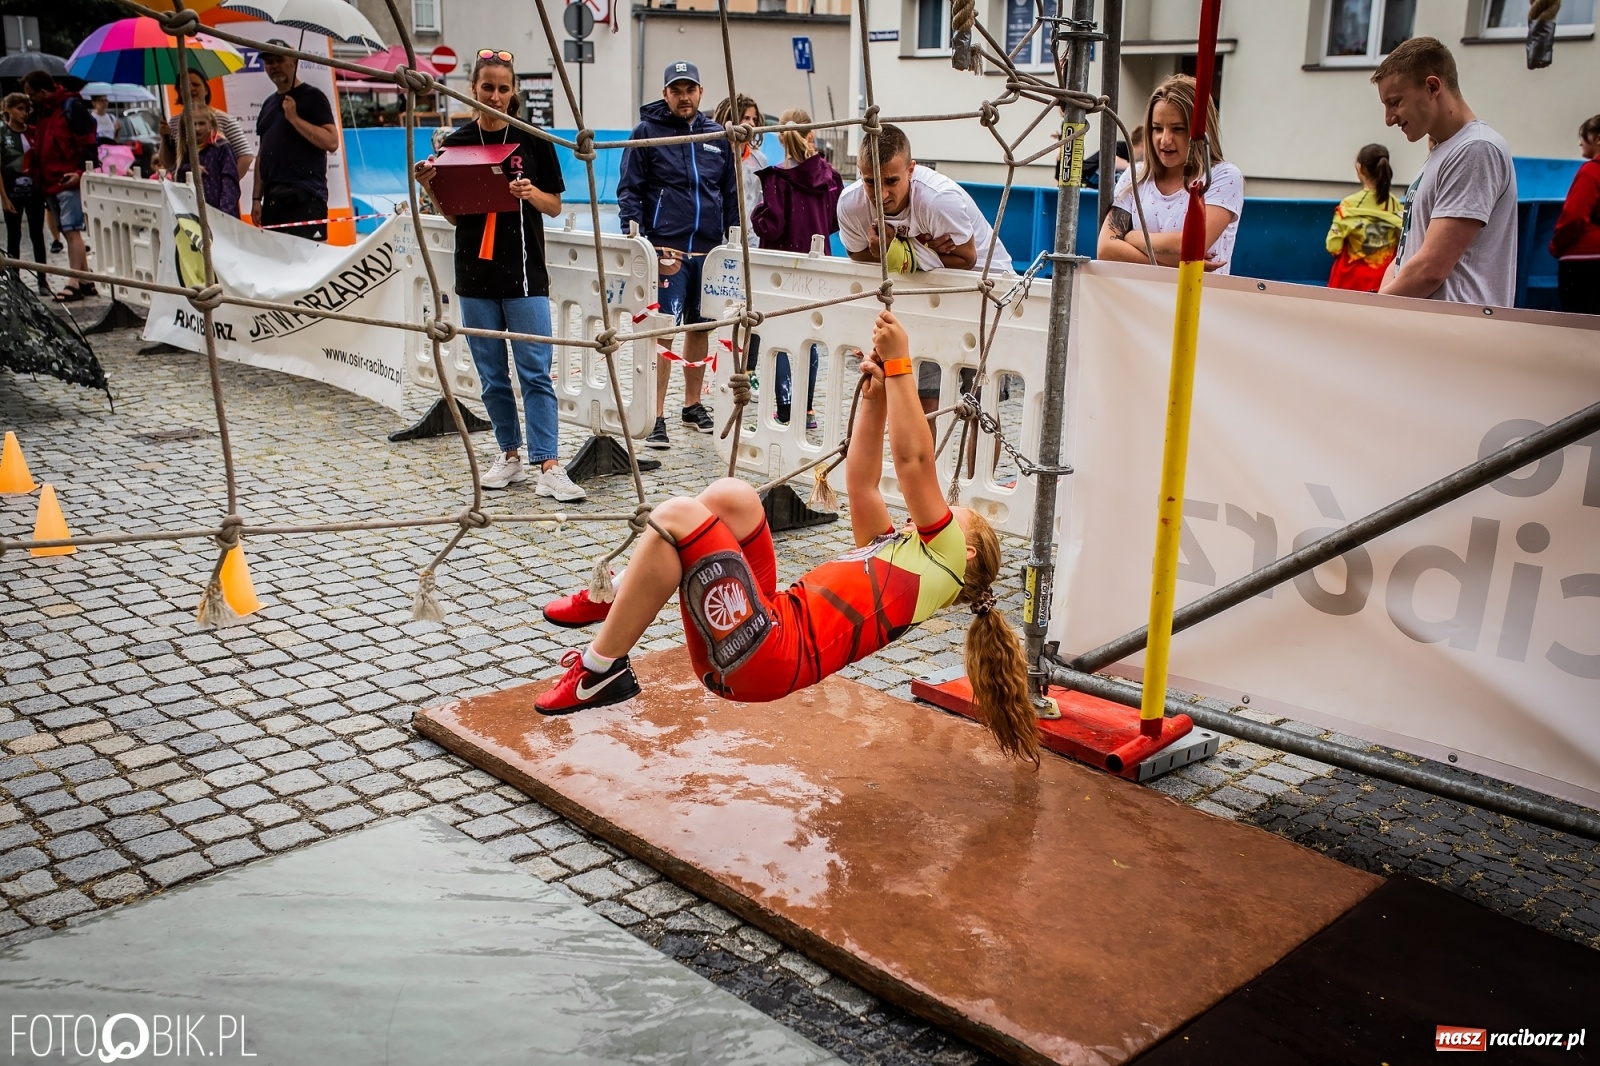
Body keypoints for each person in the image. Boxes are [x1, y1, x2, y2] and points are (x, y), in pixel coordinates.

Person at [534, 310, 1039, 763]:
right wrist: (878, 395)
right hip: (767, 624)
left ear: (965, 549)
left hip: (764, 658)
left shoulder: (946, 563)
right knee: (734, 497)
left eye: (954, 515)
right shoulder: (893, 553)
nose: (937, 513)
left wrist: (903, 364)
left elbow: (914, 463)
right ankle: (614, 596)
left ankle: (600, 672)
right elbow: (860, 482)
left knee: (680, 516)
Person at [413, 49, 585, 502]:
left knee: (536, 371)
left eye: (503, 88)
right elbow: (454, 217)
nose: (495, 95)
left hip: (525, 273)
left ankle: (548, 462)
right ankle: (509, 454)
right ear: (473, 89)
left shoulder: (533, 139)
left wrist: (530, 193)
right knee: (491, 374)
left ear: (514, 93)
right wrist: (429, 185)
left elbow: (555, 206)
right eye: (487, 87)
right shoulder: (455, 142)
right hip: (474, 273)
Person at [618, 61, 738, 450]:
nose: (684, 96)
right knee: (663, 331)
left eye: (690, 89)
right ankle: (655, 416)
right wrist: (639, 242)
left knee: (701, 327)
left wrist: (733, 239)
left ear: (701, 92)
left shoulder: (716, 136)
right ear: (665, 93)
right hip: (666, 250)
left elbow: (730, 191)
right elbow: (630, 190)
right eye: (676, 90)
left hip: (708, 251)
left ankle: (692, 405)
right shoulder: (646, 133)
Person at [1372, 37, 1516, 306]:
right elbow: (1408, 254)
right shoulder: (1444, 152)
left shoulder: (1476, 149)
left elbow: (1431, 269)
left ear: (1432, 86)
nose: (1389, 119)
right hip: (1431, 332)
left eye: (1395, 102)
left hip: (1456, 336)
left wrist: (1373, 309)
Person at [1096, 74, 1244, 274]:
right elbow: (1105, 249)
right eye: (1157, 128)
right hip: (1138, 300)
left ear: (1201, 132)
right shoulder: (1136, 176)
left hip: (1199, 300)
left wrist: (1132, 237)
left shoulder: (1222, 177)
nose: (1165, 140)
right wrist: (1175, 264)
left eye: (1178, 129)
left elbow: (1191, 247)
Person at [751, 107, 843, 427]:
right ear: (812, 135)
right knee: (811, 337)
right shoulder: (830, 176)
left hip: (783, 267)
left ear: (779, 137)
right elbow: (835, 221)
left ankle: (786, 406)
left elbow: (772, 227)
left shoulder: (777, 180)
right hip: (817, 265)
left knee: (778, 337)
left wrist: (757, 215)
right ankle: (806, 408)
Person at [838, 122, 1011, 275]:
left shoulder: (938, 201)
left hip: (988, 279)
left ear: (911, 170)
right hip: (917, 283)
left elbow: (967, 260)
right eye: (870, 182)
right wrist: (921, 251)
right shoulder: (851, 204)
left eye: (891, 181)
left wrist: (898, 252)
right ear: (859, 171)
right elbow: (855, 254)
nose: (881, 194)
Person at [22, 71, 96, 302]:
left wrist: (81, 172)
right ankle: (85, 280)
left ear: (42, 92)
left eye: (31, 95)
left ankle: (73, 282)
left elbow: (88, 142)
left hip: (66, 178)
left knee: (72, 230)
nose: (29, 100)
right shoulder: (46, 112)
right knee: (67, 230)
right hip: (50, 180)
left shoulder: (70, 108)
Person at [253, 42, 338, 240]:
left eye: (279, 60)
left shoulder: (313, 97)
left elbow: (332, 142)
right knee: (274, 264)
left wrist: (294, 119)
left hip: (306, 197)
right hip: (273, 200)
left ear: (294, 61)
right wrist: (256, 198)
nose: (274, 66)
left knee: (310, 265)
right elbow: (262, 154)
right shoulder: (268, 104)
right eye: (269, 62)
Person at [1325, 143, 1402, 292]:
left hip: (1349, 284)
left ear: (1360, 169)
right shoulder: (1396, 206)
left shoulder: (1349, 205)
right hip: (1384, 283)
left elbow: (1333, 247)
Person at [1550, 113, 1600, 315]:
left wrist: (1556, 246)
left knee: (1580, 327)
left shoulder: (1591, 171)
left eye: (1584, 136)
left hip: (1584, 260)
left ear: (1598, 138)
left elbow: (1574, 216)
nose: (1580, 143)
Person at [168, 69, 255, 182]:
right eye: (185, 85)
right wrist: (165, 138)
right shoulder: (174, 123)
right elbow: (169, 162)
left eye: (196, 84)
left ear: (206, 90)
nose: (190, 88)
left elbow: (246, 157)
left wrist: (227, 186)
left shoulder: (224, 119)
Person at [1, 92, 48, 295]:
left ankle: (43, 281)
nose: (24, 113)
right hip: (12, 192)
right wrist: (4, 197)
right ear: (8, 110)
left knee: (37, 235)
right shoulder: (3, 134)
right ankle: (15, 281)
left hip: (34, 191)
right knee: (14, 236)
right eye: (20, 109)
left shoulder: (34, 132)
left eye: (26, 109)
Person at [175, 106, 241, 219]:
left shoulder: (221, 147)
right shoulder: (186, 150)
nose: (197, 128)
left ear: (210, 124)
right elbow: (178, 183)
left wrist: (223, 215)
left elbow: (230, 184)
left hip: (221, 216)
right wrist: (187, 169)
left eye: (202, 123)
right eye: (193, 124)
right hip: (194, 216)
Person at [713, 93, 766, 233]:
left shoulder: (760, 160)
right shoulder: (714, 155)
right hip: (720, 235)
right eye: (746, 118)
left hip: (751, 236)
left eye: (754, 119)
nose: (752, 124)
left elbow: (761, 200)